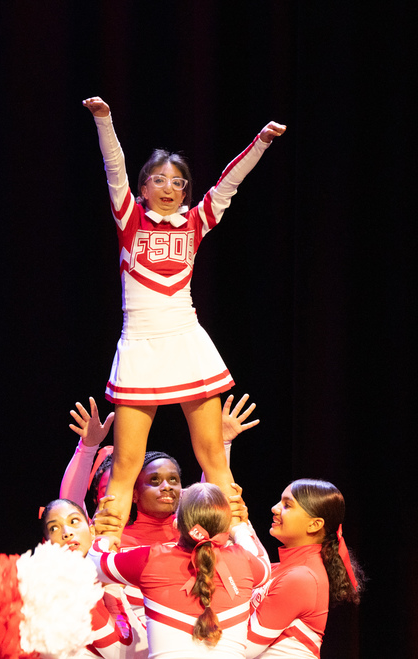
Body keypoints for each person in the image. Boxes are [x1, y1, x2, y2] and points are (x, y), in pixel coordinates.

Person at [82, 96, 285, 540]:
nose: (170, 187)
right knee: (126, 467)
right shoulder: (130, 220)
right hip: (140, 346)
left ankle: (242, 547)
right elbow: (114, 167)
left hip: (186, 342)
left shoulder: (195, 223)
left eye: (178, 182)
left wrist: (261, 144)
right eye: (159, 179)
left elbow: (228, 185)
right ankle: (102, 557)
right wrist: (105, 120)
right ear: (144, 189)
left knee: (213, 456)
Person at [88, 483, 272, 658]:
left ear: (177, 524)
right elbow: (264, 566)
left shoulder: (153, 558)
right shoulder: (244, 560)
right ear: (225, 527)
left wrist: (102, 536)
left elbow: (93, 563)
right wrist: (240, 528)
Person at [60, 394, 260, 517]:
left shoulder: (187, 531)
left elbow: (209, 497)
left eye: (173, 479)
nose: (166, 487)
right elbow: (68, 508)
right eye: (154, 481)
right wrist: (87, 448)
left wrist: (220, 444)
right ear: (134, 494)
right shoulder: (105, 533)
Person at [243, 480, 363, 658]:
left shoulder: (303, 578)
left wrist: (240, 528)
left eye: (287, 505)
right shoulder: (280, 569)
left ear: (314, 524)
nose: (274, 508)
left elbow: (243, 648)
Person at [41, 499, 148, 659]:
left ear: (91, 531)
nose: (67, 532)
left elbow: (142, 646)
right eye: (54, 528)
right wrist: (100, 549)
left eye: (74, 521)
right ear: (46, 543)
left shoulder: (99, 583)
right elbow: (126, 652)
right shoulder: (58, 591)